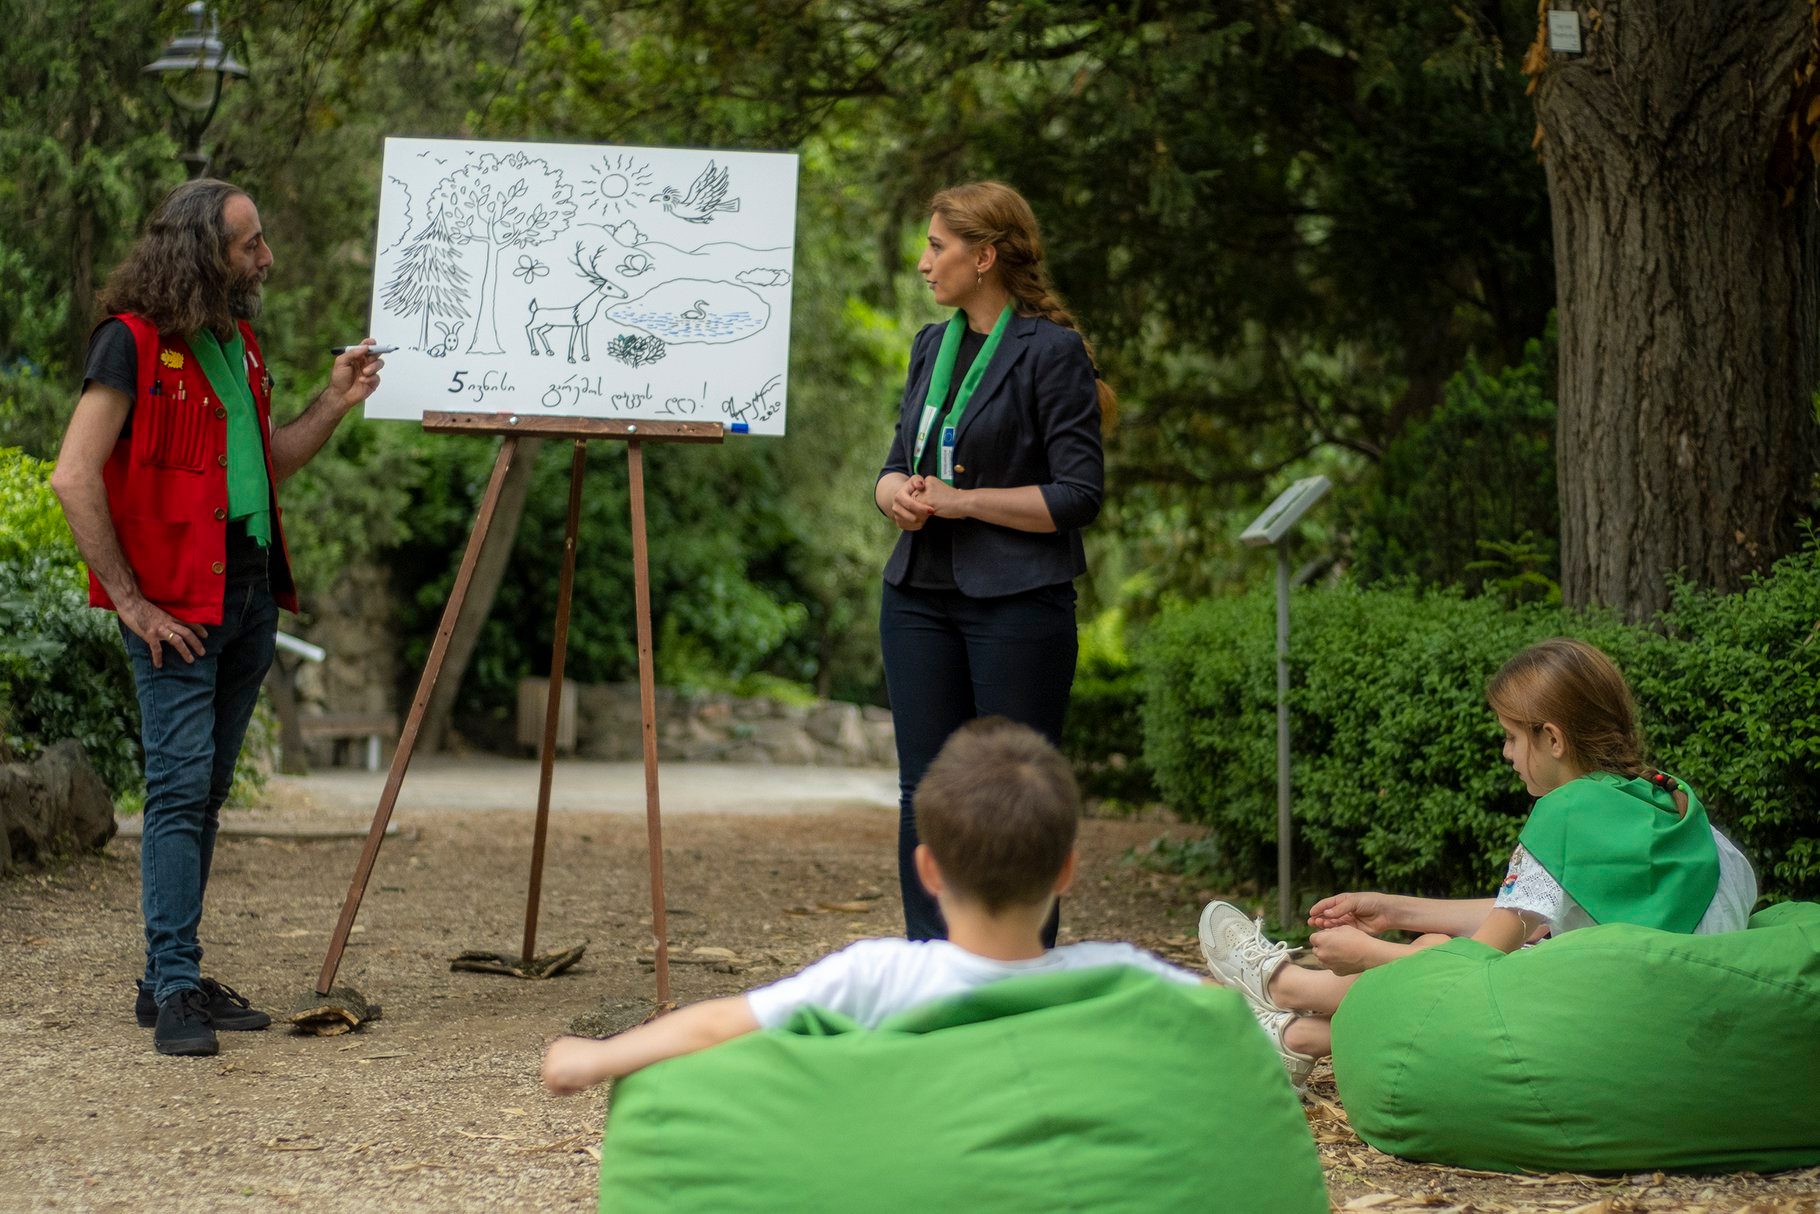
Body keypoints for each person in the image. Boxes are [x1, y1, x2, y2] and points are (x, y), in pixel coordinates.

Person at [50, 178, 384, 1057]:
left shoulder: (237, 344)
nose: (266, 257)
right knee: (176, 791)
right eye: (250, 245)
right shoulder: (129, 344)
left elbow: (263, 463)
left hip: (247, 595)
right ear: (203, 254)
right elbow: (73, 475)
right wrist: (130, 602)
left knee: (204, 795)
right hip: (173, 610)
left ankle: (169, 978)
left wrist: (334, 401)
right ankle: (173, 984)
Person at [1197, 637, 1758, 1088]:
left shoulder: (1565, 816)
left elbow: (1477, 960)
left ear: (1553, 738)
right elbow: (1537, 911)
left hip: (1606, 1037)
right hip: (1681, 1024)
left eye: (1511, 737)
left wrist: (1371, 954)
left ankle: (1287, 988)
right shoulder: (1667, 806)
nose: (1507, 753)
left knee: (1436, 958)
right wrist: (1394, 910)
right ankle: (1296, 1037)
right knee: (1434, 944)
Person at [541, 718, 1199, 1093]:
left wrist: (594, 1058)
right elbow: (1226, 1017)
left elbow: (720, 1024)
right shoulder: (1123, 977)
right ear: (1067, 871)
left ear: (927, 870)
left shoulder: (878, 975)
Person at [873, 181, 1112, 946]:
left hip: (1018, 602)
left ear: (984, 257)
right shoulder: (929, 345)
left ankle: (1017, 968)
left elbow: (1078, 494)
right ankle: (933, 964)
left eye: (936, 247)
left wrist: (964, 502)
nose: (923, 263)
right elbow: (894, 463)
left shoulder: (1052, 352)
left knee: (1020, 794)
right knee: (923, 792)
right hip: (917, 594)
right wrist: (894, 496)